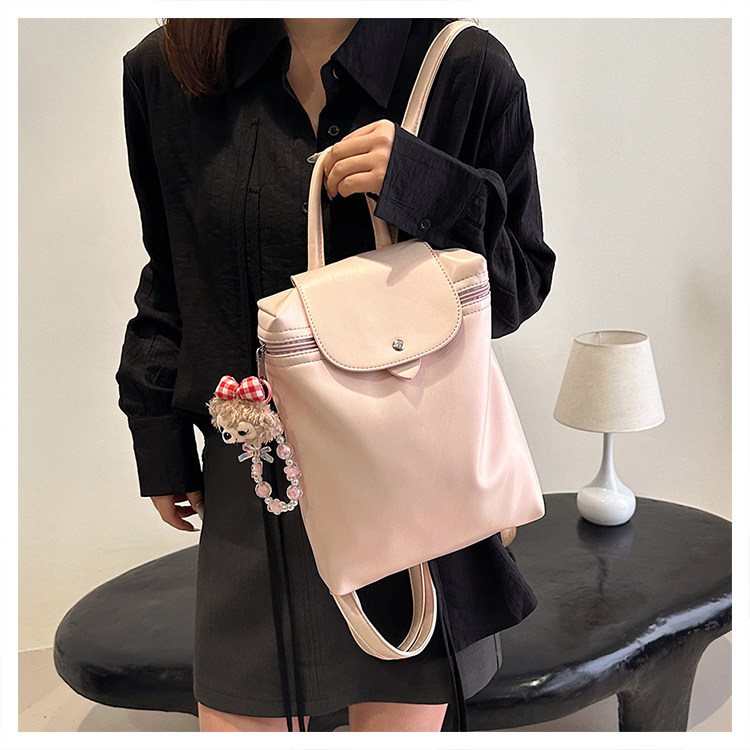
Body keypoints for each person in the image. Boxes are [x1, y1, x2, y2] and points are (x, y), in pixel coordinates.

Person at [115, 17, 555, 733]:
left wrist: (431, 189)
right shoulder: (168, 71)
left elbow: (516, 288)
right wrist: (156, 428)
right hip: (257, 482)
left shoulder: (463, 67)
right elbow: (171, 268)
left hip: (409, 486)